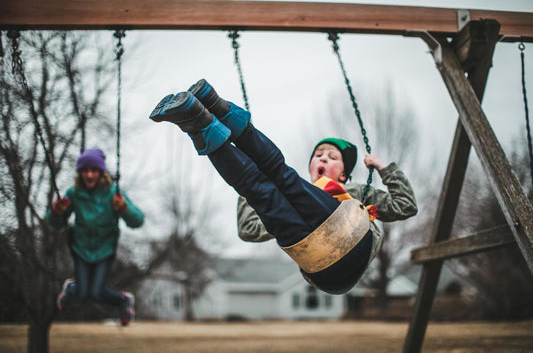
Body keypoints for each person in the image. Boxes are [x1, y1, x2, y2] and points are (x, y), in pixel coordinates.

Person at [149, 79, 417, 294]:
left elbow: (405, 206)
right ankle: (202, 115)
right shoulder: (298, 189)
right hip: (312, 252)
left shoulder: (357, 196)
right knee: (272, 181)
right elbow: (249, 230)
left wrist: (384, 168)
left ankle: (208, 119)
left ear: (345, 173)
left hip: (351, 244)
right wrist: (255, 192)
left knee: (275, 179)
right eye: (319, 154)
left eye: (332, 157)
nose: (323, 157)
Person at [46, 148, 144, 325]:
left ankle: (124, 300)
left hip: (105, 249)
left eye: (93, 170)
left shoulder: (113, 193)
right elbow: (57, 224)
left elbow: (137, 221)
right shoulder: (74, 193)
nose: (89, 175)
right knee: (83, 294)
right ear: (80, 173)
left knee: (97, 292)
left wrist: (123, 208)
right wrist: (56, 212)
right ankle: (71, 287)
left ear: (101, 172)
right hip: (81, 248)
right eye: (85, 170)